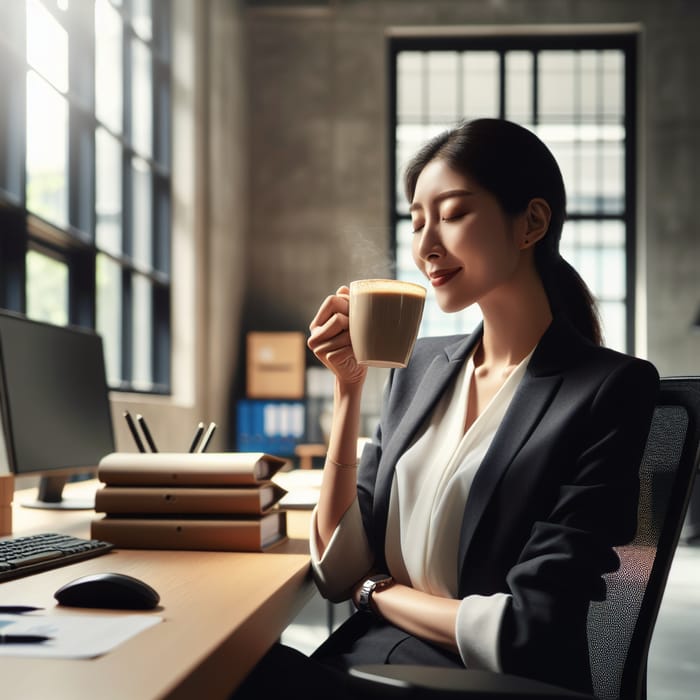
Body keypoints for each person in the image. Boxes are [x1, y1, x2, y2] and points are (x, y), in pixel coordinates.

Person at [233, 118, 659, 698]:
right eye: (416, 223)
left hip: (482, 683)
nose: (427, 246)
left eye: (454, 214)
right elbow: (338, 572)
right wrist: (349, 390)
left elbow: (527, 627)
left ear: (531, 222)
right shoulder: (418, 369)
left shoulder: (608, 388)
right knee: (224, 664)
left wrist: (377, 594)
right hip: (369, 657)